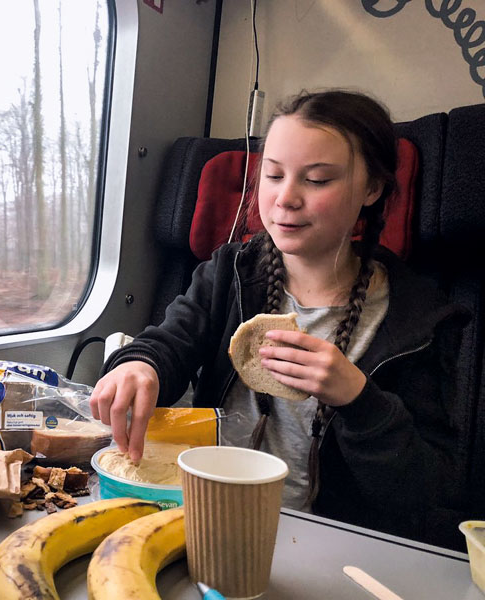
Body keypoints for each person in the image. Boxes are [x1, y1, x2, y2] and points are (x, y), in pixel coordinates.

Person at [89, 90, 469, 547]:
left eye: (318, 180)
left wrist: (359, 399)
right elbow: (169, 344)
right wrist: (140, 364)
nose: (285, 198)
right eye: (273, 175)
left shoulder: (420, 321)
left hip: (325, 540)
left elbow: (425, 492)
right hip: (201, 513)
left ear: (372, 189)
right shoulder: (229, 273)